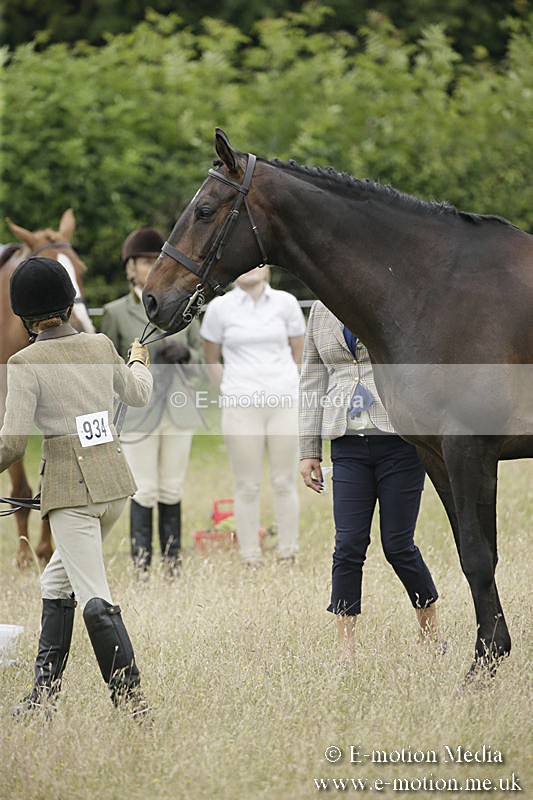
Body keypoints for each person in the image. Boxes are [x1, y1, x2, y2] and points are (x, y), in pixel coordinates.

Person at [0, 256, 153, 718]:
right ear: (69, 305)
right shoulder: (102, 343)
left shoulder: (24, 362)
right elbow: (138, 394)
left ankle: (132, 705)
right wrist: (139, 361)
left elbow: (11, 445)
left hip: (72, 498)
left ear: (23, 315)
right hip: (115, 490)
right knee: (55, 580)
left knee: (94, 600)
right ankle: (43, 697)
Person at [299, 300, 439, 659]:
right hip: (346, 445)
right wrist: (308, 449)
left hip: (400, 443)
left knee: (398, 546)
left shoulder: (386, 292)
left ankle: (430, 631)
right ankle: (346, 648)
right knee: (347, 545)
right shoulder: (319, 310)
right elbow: (312, 382)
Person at [101, 226, 205, 576]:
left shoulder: (183, 306)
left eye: (155, 260)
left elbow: (203, 363)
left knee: (171, 486)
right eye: (144, 262)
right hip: (137, 412)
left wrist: (187, 354)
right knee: (143, 489)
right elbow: (108, 366)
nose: (150, 267)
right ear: (131, 267)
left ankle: (172, 563)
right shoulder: (116, 312)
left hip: (178, 407)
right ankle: (141, 565)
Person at [200, 266, 306, 565]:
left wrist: (284, 384)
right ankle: (250, 554)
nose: (250, 270)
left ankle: (289, 552)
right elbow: (211, 358)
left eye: (257, 264)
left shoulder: (286, 303)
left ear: (267, 267)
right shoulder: (220, 308)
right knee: (247, 484)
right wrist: (232, 390)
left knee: (284, 480)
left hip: (283, 402)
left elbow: (299, 352)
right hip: (241, 406)